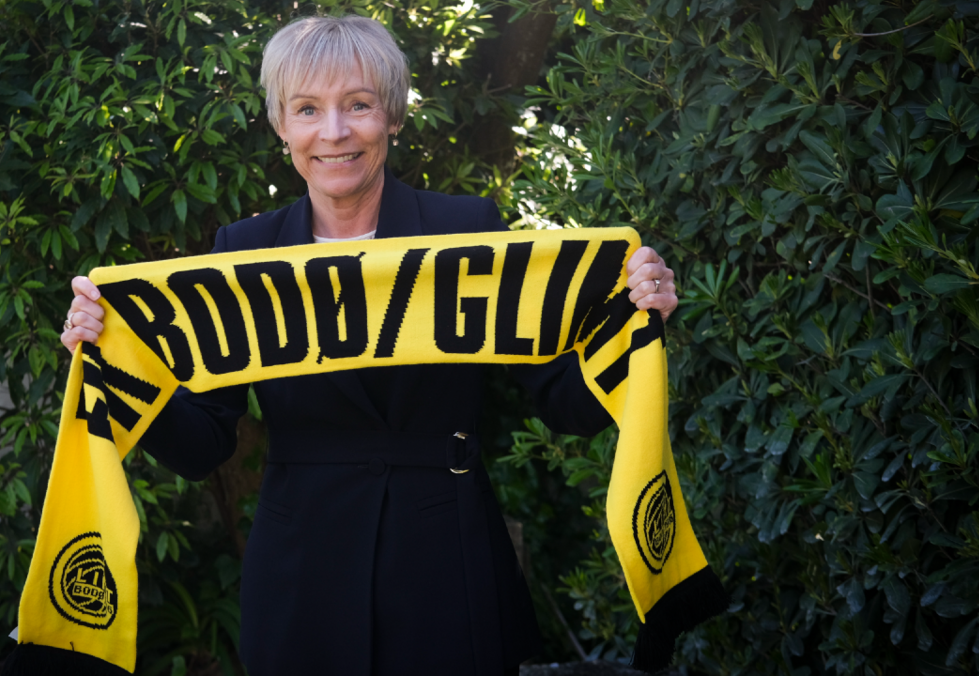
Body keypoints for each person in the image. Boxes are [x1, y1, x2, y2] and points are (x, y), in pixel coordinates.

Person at [59, 15, 678, 676]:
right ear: (280, 125)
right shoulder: (243, 250)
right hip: (300, 578)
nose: (334, 132)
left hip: (447, 567)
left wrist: (632, 318)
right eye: (307, 109)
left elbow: (563, 404)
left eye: (358, 105)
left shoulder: (466, 231)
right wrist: (113, 365)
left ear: (393, 117)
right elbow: (204, 443)